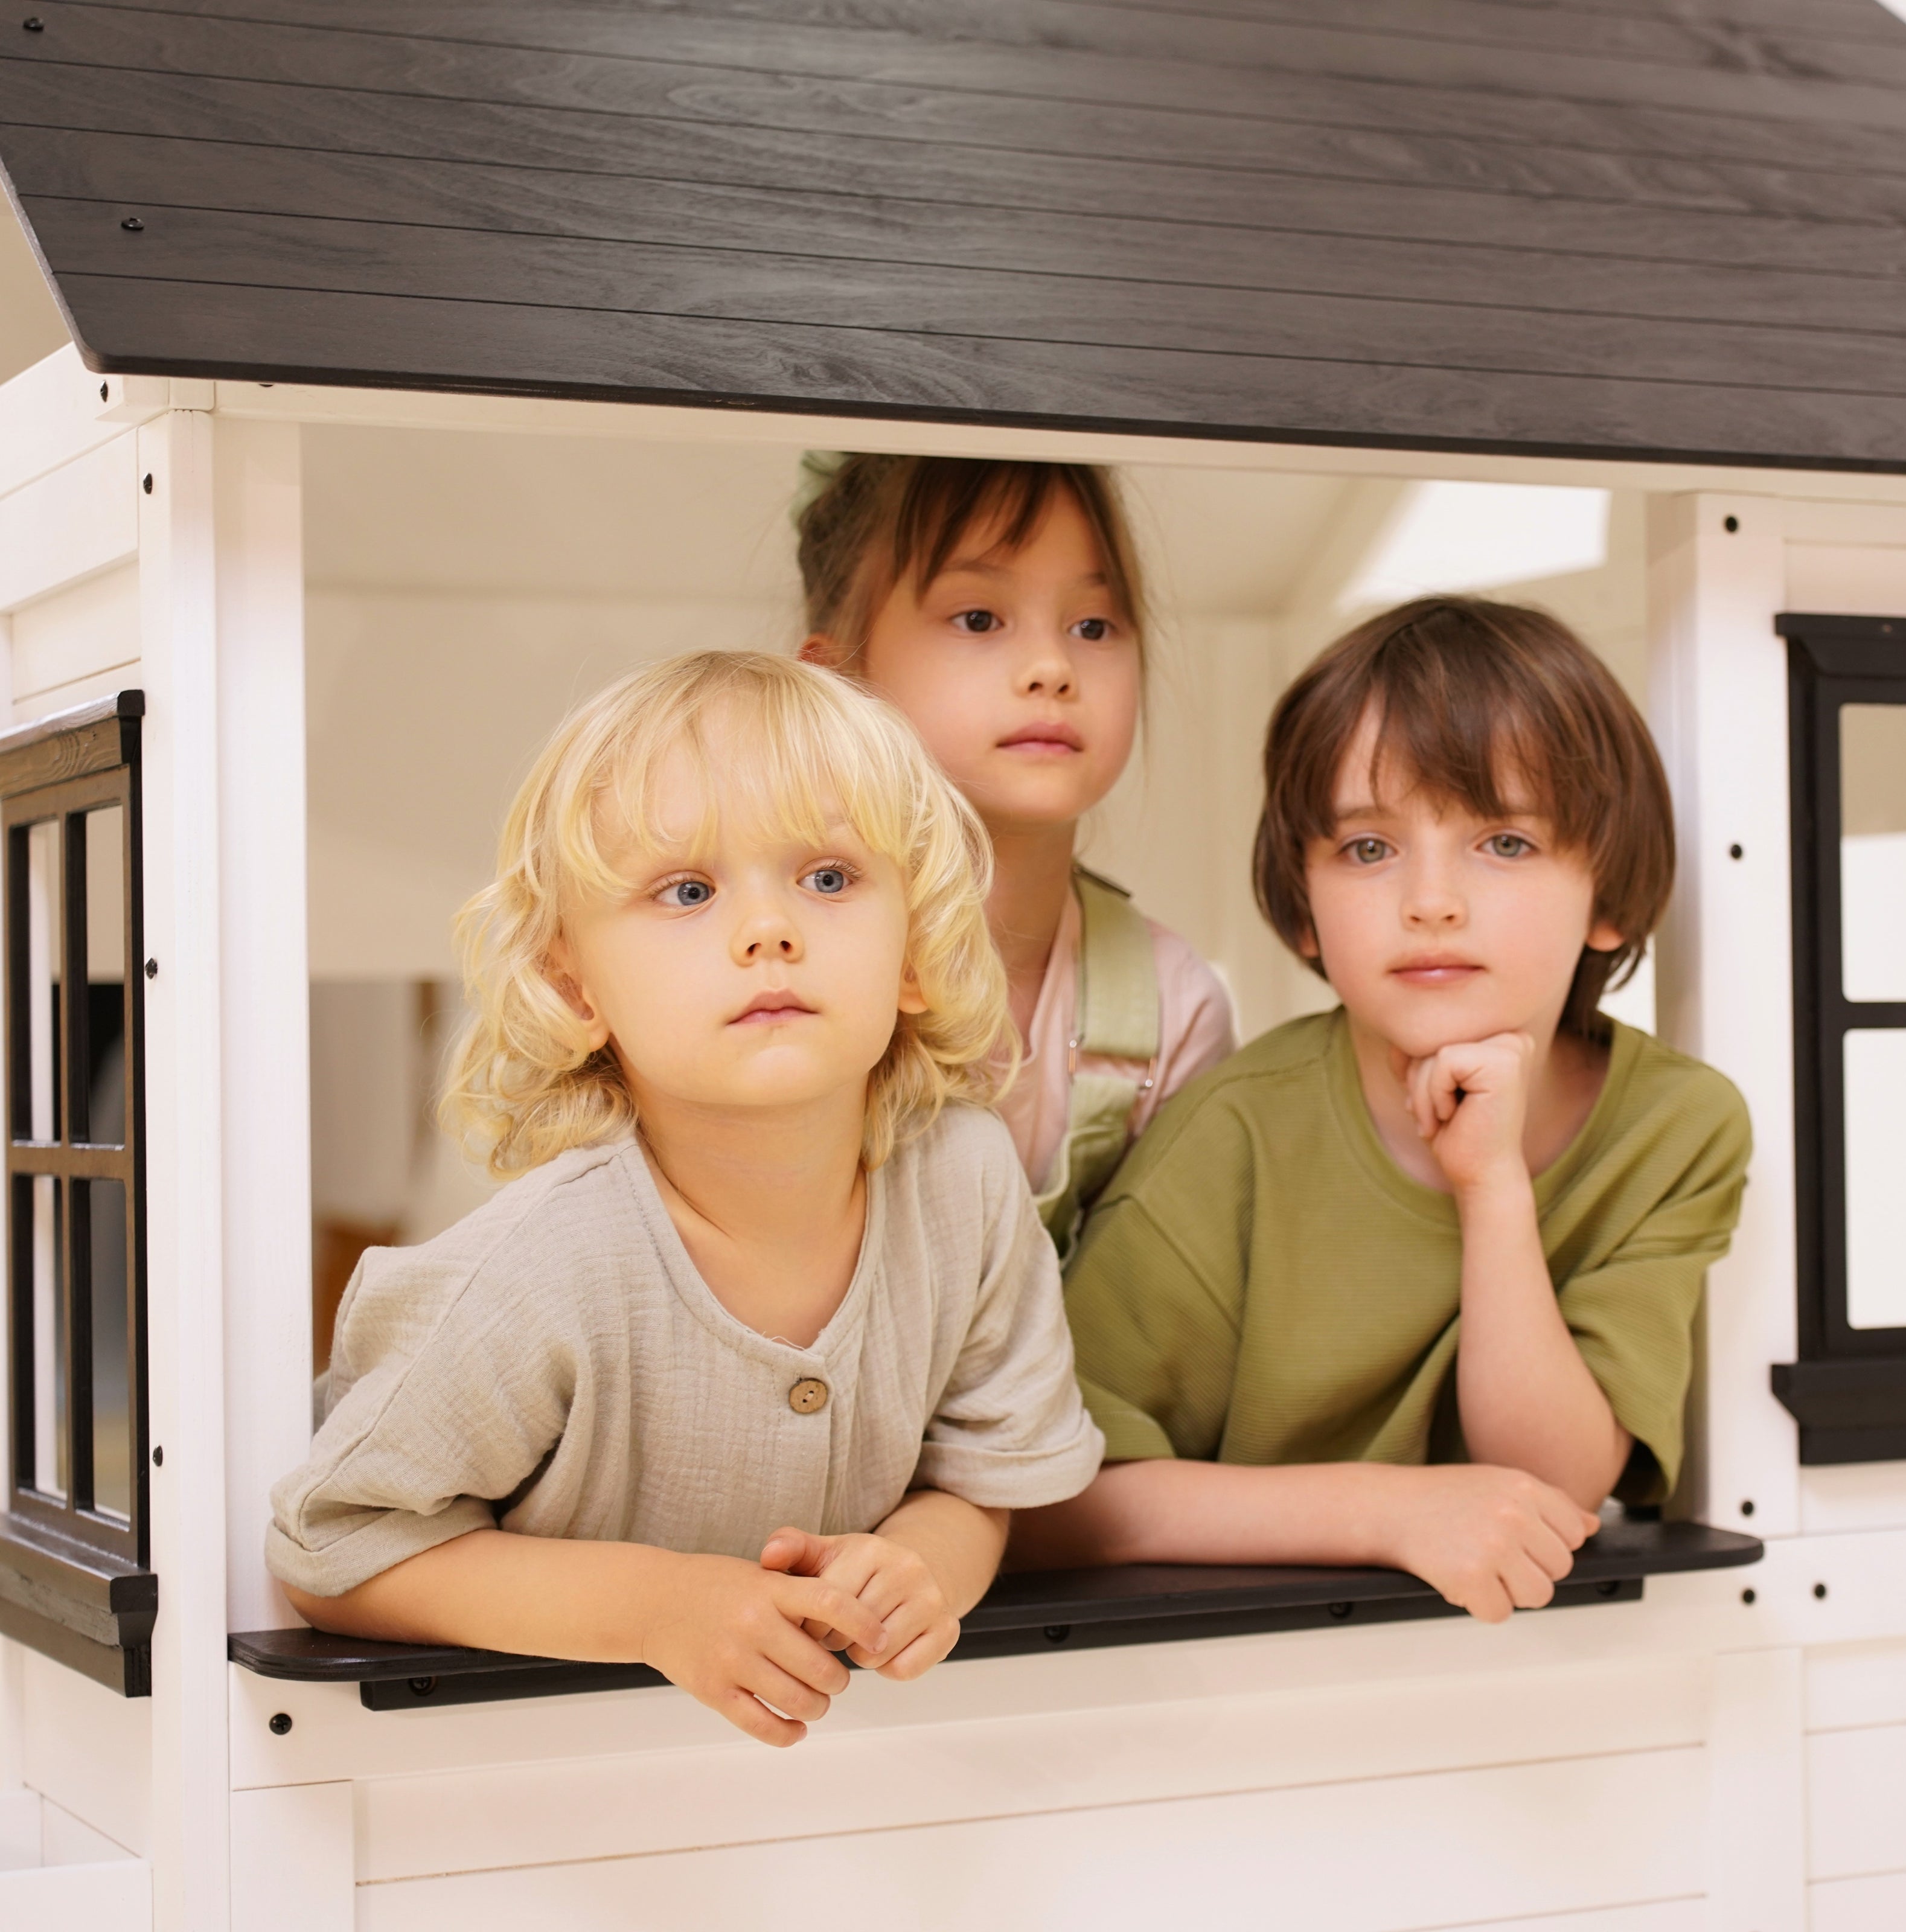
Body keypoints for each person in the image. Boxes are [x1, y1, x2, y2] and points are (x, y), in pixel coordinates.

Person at [267, 653, 1104, 1746]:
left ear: (915, 950)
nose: (770, 931)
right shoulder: (536, 1272)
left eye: (830, 878)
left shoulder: (969, 1182)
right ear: (576, 988)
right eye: (690, 892)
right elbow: (332, 1547)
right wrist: (658, 1606)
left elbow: (982, 1477)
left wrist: (921, 1567)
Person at [1012, 597, 1751, 1623]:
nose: (1431, 901)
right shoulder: (1235, 1136)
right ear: (1304, 906)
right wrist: (1386, 1512)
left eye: (1504, 841)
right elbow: (1042, 1503)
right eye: (1368, 849)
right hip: (1224, 1684)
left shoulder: (1676, 1126)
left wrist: (1492, 1188)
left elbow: (1555, 1480)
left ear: (1610, 895)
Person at [796, 455, 1235, 1257]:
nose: (1051, 670)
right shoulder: (780, 967)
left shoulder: (1177, 1010)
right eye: (979, 619)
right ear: (835, 680)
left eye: (1093, 626)